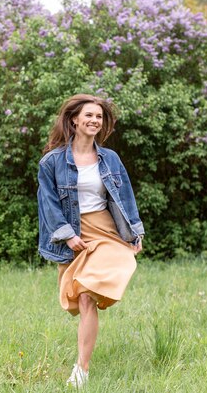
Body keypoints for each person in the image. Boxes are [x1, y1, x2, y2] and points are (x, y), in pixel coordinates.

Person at [37, 94, 145, 388]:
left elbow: (125, 197)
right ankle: (82, 366)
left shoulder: (109, 159)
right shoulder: (51, 162)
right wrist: (67, 235)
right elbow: (47, 204)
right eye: (89, 115)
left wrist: (135, 231)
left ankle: (81, 370)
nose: (94, 120)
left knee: (88, 295)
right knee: (82, 300)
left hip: (107, 231)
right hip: (74, 233)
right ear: (74, 119)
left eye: (98, 116)